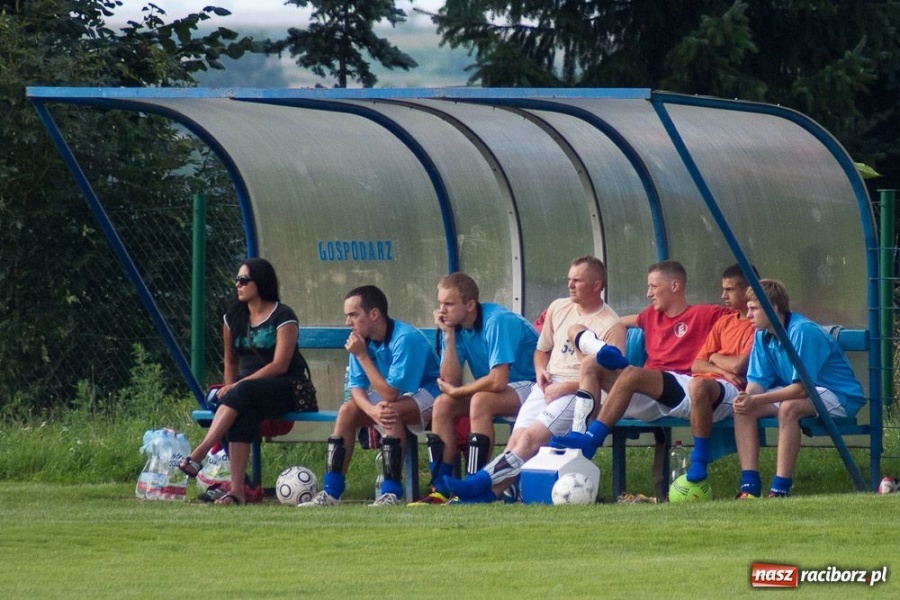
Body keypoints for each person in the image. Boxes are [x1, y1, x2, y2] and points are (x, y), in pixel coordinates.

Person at [443, 256, 628, 503]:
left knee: (530, 439)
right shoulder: (559, 307)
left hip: (580, 392)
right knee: (517, 440)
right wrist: (541, 369)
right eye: (569, 280)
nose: (570, 285)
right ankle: (488, 493)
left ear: (596, 285)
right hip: (548, 385)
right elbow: (542, 350)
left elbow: (612, 379)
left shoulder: (611, 324)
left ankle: (479, 483)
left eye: (577, 281)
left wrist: (565, 387)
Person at [551, 260, 731, 466]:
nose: (648, 293)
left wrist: (719, 363)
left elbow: (742, 312)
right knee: (588, 359)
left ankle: (591, 441)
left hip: (675, 393)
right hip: (639, 393)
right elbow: (620, 321)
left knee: (631, 373)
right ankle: (580, 431)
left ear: (675, 286)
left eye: (654, 286)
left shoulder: (704, 314)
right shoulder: (651, 315)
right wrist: (609, 329)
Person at [178, 258, 314, 505]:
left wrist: (236, 387)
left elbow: (280, 365)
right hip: (248, 391)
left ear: (260, 282)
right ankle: (238, 492)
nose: (237, 285)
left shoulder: (283, 315)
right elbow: (230, 362)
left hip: (284, 386)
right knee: (243, 410)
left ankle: (203, 449)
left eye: (243, 280)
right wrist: (231, 390)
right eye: (237, 280)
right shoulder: (233, 319)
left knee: (244, 390)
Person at [301, 285, 441, 507]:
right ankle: (331, 493)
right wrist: (371, 410)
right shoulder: (361, 340)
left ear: (374, 314)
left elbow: (390, 394)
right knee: (348, 410)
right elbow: (356, 388)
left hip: (431, 394)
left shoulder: (404, 338)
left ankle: (391, 494)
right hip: (394, 397)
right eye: (347, 316)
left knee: (389, 410)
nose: (348, 322)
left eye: (353, 315)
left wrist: (363, 356)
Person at [411, 273, 539, 505]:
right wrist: (448, 335)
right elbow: (449, 380)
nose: (441, 311)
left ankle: (474, 485)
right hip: (502, 392)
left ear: (470, 305)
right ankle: (439, 488)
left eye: (448, 304)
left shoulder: (496, 320)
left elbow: (498, 380)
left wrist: (461, 392)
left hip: (537, 388)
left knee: (480, 400)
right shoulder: (456, 326)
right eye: (439, 304)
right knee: (442, 404)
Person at [733, 279, 864, 498]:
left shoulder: (802, 331)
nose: (748, 315)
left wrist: (756, 400)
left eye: (753, 308)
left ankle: (780, 489)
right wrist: (747, 398)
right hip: (807, 394)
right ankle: (749, 487)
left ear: (773, 308)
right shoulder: (762, 335)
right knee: (742, 408)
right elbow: (757, 381)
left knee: (789, 408)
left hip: (841, 396)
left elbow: (802, 390)